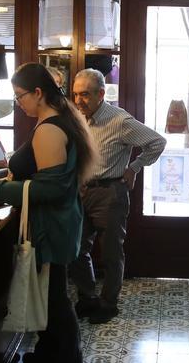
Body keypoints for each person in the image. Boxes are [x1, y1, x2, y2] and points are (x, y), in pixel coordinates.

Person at [0, 63, 97, 363]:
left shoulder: (49, 129)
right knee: (50, 291)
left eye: (20, 96)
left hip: (53, 223)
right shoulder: (55, 121)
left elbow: (51, 187)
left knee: (55, 296)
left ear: (38, 93)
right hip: (59, 220)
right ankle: (49, 351)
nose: (19, 103)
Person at [69, 69, 165, 324]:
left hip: (110, 193)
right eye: (76, 94)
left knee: (111, 252)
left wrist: (133, 168)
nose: (79, 101)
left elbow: (157, 142)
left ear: (101, 94)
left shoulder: (119, 120)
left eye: (85, 95)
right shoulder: (78, 118)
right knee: (77, 249)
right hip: (82, 191)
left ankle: (108, 303)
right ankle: (87, 298)